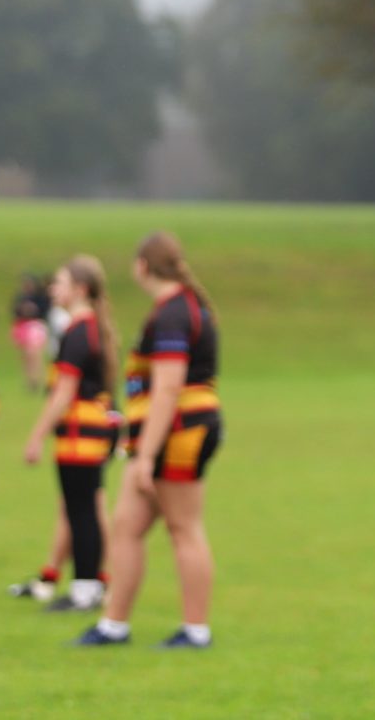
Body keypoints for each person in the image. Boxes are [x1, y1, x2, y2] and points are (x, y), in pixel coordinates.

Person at [74, 231, 222, 648]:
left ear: (142, 266)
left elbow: (168, 388)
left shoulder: (175, 313)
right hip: (167, 433)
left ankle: (196, 631)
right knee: (126, 527)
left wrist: (145, 457)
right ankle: (113, 626)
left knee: (183, 528)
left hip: (180, 433)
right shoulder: (174, 309)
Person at [22, 256, 121, 612]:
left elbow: (63, 393)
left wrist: (36, 436)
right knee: (85, 509)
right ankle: (90, 586)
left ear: (80, 290)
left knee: (80, 512)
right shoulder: (93, 327)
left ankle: (84, 590)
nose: (53, 289)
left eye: (60, 283)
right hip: (92, 430)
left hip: (79, 434)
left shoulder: (78, 332)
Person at [11, 273, 52, 391]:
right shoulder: (21, 297)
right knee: (26, 355)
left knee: (36, 354)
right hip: (23, 326)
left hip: (35, 326)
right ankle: (30, 379)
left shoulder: (39, 297)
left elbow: (45, 310)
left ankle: (41, 379)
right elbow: (14, 311)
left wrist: (34, 310)